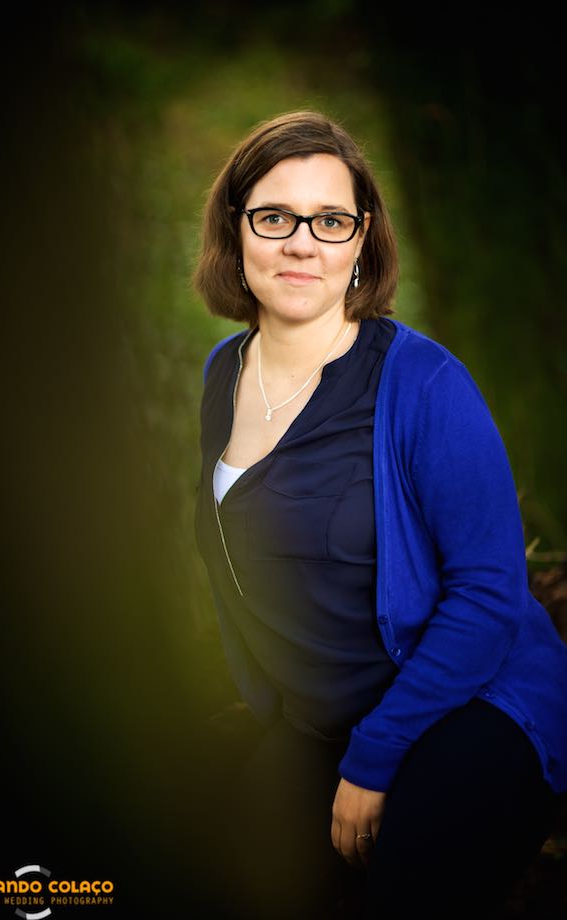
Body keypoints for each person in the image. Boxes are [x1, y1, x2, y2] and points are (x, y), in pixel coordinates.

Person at [192, 110, 567, 920]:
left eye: (330, 220)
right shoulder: (224, 374)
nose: (302, 243)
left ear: (362, 240)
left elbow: (488, 596)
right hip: (319, 714)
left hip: (468, 704)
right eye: (274, 216)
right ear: (236, 230)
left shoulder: (426, 385)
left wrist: (374, 756)